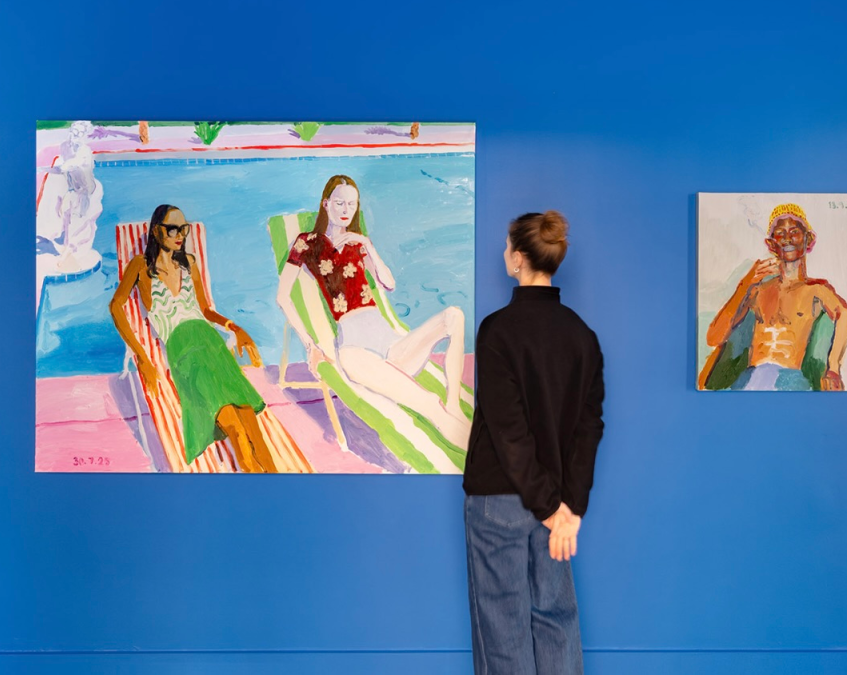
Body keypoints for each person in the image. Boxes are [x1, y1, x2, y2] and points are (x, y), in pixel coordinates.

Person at [462, 210, 605, 675]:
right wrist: (568, 510)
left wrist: (550, 508)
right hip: (558, 506)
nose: (503, 254)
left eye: (507, 247)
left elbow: (508, 430)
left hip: (499, 501)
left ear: (519, 259)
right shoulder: (582, 336)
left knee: (502, 627)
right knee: (556, 620)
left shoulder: (497, 330)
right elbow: (589, 427)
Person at [276, 175, 470, 448]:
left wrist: (367, 244)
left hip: (392, 346)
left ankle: (455, 406)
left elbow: (388, 283)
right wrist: (311, 346)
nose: (345, 210)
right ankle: (483, 453)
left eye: (351, 205)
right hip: (356, 351)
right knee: (428, 404)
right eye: (339, 203)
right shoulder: (307, 242)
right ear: (325, 204)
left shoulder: (357, 243)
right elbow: (283, 296)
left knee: (454, 315)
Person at [110, 204, 278, 472]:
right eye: (173, 228)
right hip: (184, 351)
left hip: (211, 344)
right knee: (236, 432)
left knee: (252, 426)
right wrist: (142, 358)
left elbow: (206, 309)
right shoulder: (140, 266)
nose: (180, 235)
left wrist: (235, 328)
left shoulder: (189, 262)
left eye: (184, 229)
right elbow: (116, 306)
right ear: (156, 231)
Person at [700, 202, 847, 391]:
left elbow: (845, 314)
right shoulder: (757, 290)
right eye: (780, 233)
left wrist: (833, 368)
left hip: (789, 380)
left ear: (808, 240)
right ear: (772, 244)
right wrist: (744, 286)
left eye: (794, 232)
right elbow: (713, 337)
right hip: (751, 380)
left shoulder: (816, 290)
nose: (787, 239)